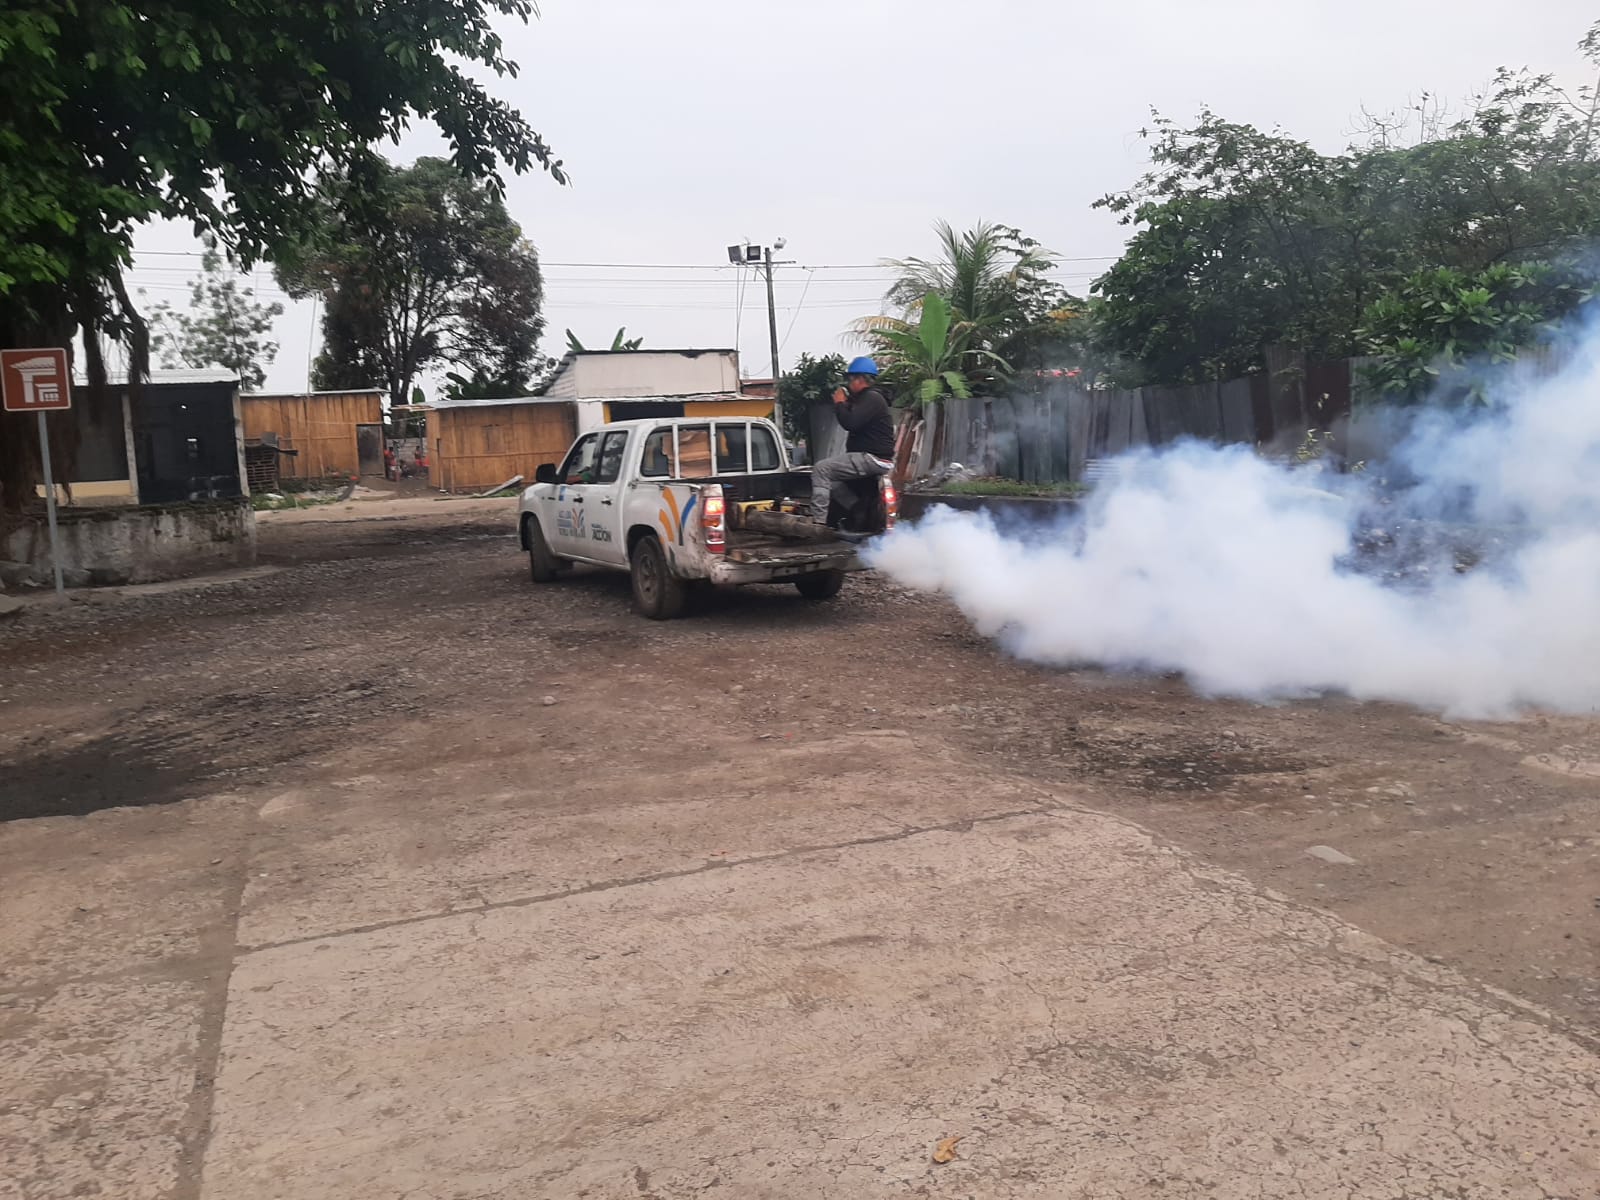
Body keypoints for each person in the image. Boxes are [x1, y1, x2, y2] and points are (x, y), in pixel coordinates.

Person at [809, 356, 895, 527]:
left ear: (860, 379)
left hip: (871, 457)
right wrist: (845, 404)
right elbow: (854, 416)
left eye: (851, 379)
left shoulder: (872, 397)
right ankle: (858, 510)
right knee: (833, 482)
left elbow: (850, 422)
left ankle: (818, 523)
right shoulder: (868, 399)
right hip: (871, 458)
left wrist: (840, 403)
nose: (849, 384)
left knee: (821, 469)